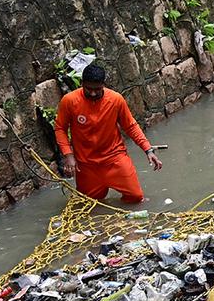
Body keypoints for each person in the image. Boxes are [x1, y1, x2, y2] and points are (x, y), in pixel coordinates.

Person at [54, 64, 163, 203]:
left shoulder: (116, 100)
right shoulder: (69, 101)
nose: (93, 93)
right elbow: (60, 128)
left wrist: (148, 150)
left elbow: (130, 126)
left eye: (97, 89)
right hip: (86, 164)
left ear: (104, 85)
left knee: (136, 198)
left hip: (115, 159)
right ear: (82, 84)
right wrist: (69, 156)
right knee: (89, 204)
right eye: (89, 89)